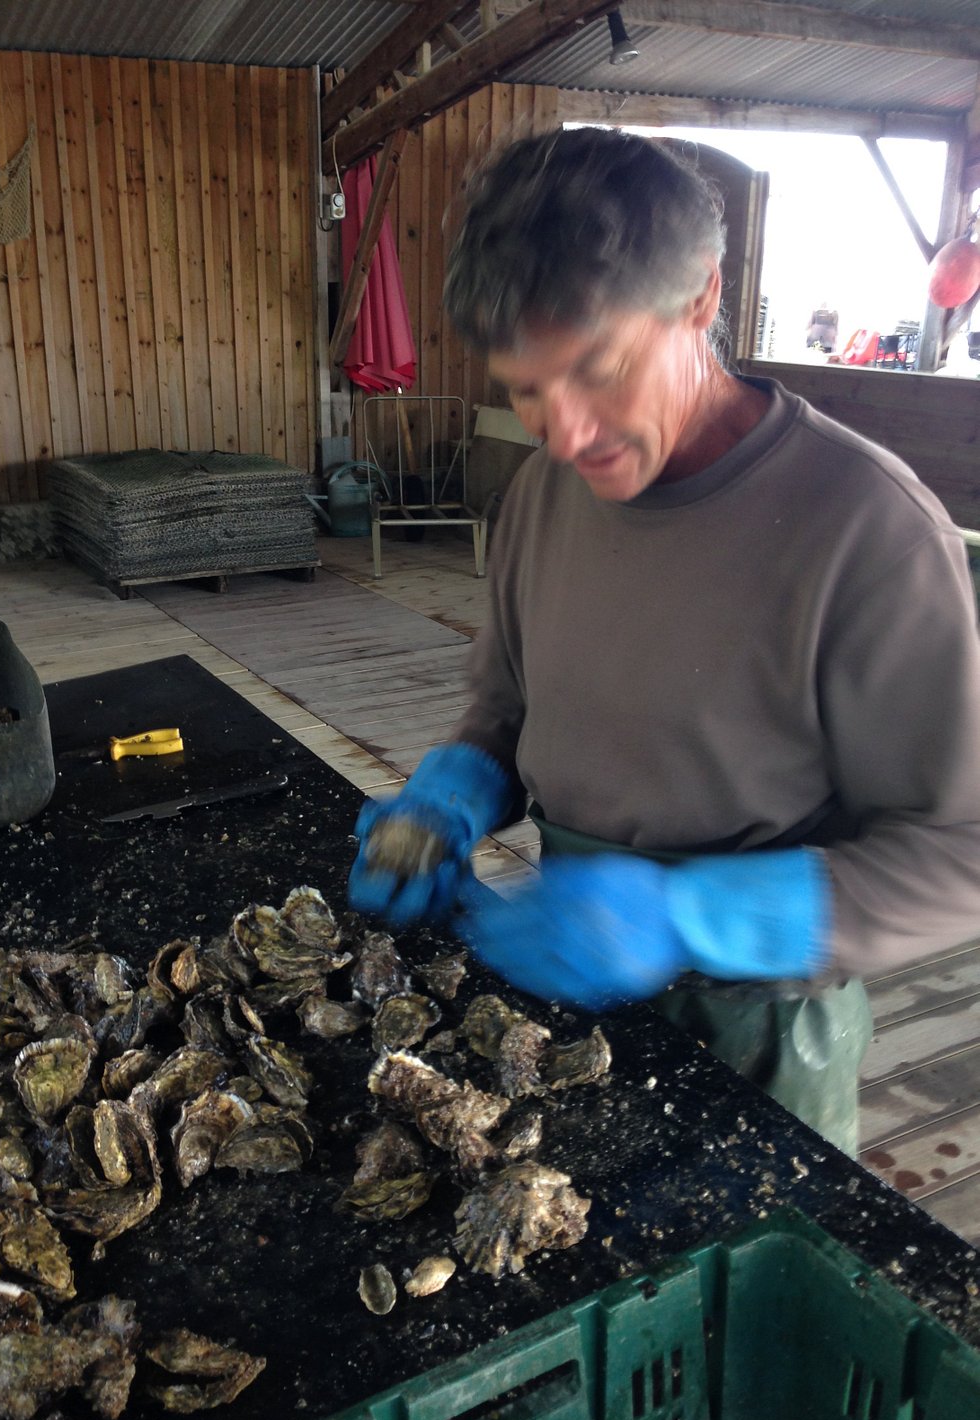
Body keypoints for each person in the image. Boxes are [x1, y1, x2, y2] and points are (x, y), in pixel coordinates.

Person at [346, 127, 980, 1156]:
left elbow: (958, 854)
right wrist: (448, 797)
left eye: (599, 370)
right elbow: (508, 706)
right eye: (525, 389)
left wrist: (694, 917)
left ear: (698, 300)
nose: (566, 433)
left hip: (757, 1036)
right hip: (560, 1002)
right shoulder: (543, 494)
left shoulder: (865, 529)